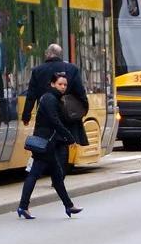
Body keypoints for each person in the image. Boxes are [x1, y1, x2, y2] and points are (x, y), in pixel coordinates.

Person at [17, 71, 82, 219]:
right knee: (35, 174)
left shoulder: (52, 98)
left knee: (56, 176)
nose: (63, 87)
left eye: (65, 84)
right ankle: (23, 206)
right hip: (45, 143)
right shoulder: (50, 99)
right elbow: (54, 121)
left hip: (48, 143)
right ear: (52, 84)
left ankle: (68, 206)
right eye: (60, 84)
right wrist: (69, 136)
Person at [22, 43, 90, 158]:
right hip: (66, 116)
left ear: (47, 54)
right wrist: (84, 108)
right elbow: (80, 92)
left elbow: (31, 95)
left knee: (46, 142)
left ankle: (48, 167)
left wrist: (26, 115)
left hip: (45, 116)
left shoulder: (38, 70)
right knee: (62, 145)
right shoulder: (72, 69)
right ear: (60, 55)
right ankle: (57, 168)